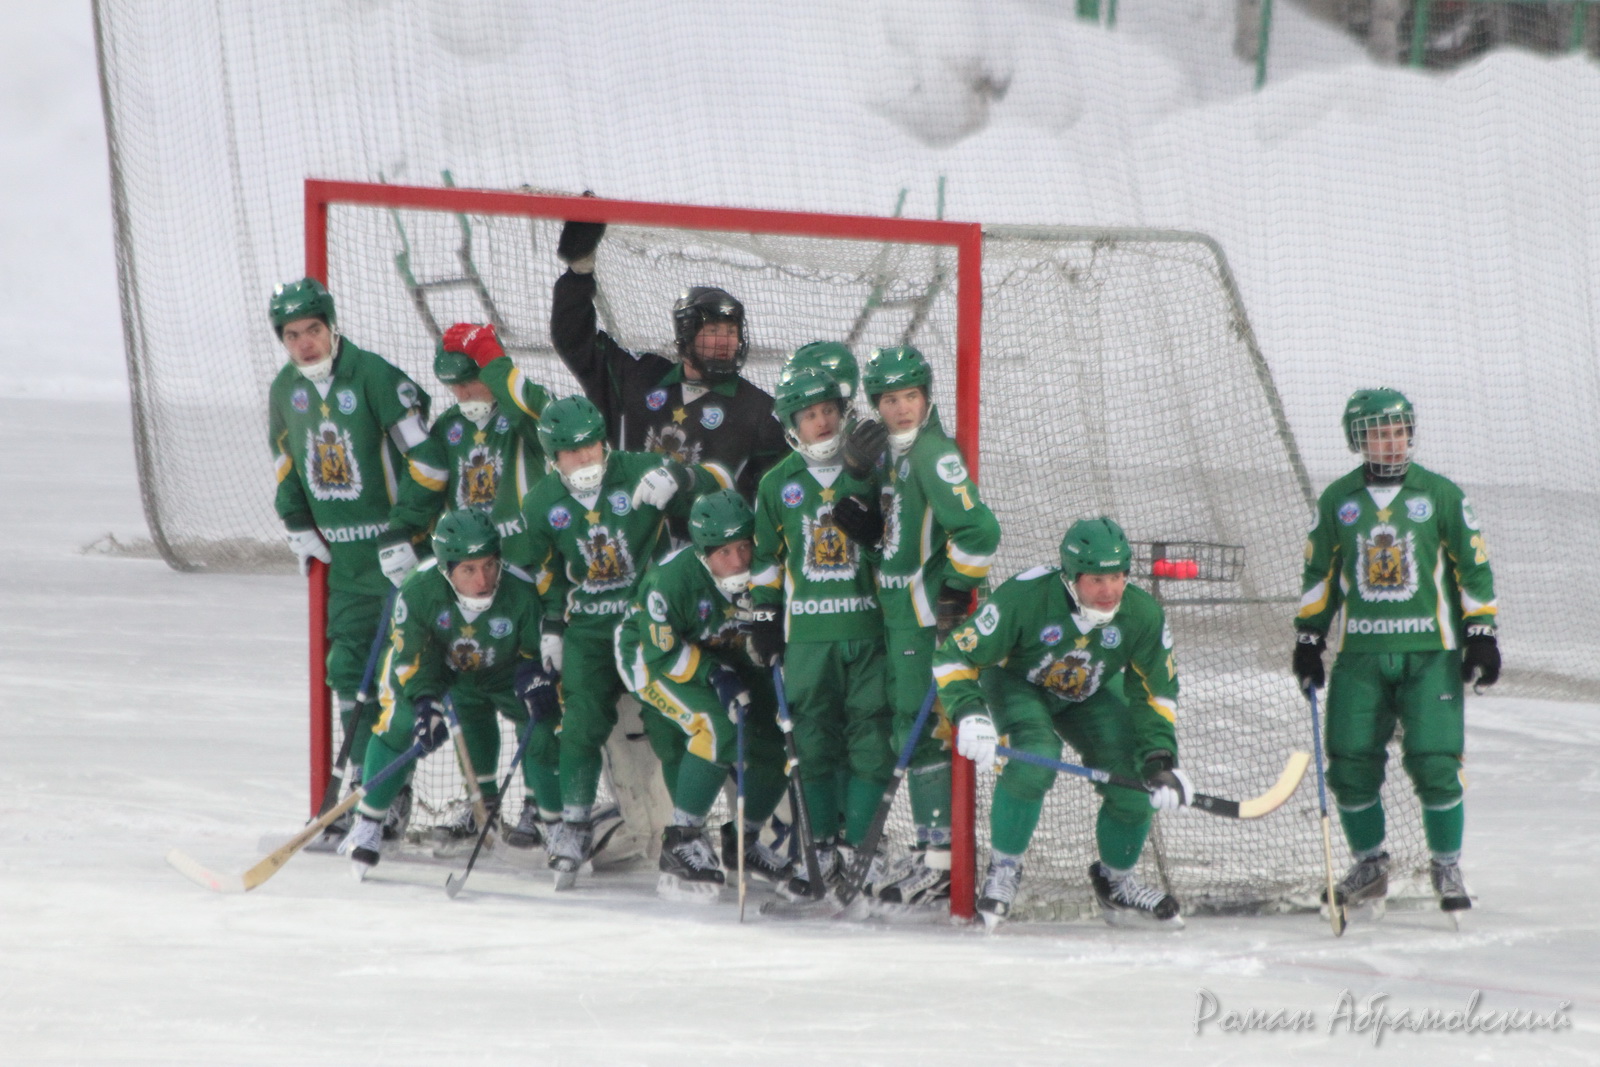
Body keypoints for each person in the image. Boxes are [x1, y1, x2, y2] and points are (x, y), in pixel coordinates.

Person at [1293, 388, 1499, 916]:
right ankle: (1369, 866)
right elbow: (1320, 574)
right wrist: (1309, 636)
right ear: (1358, 440)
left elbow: (1473, 568)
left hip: (1432, 654)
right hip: (1361, 655)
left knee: (1435, 759)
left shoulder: (1441, 495)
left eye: (1400, 431)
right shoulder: (1338, 500)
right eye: (1379, 433)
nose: (1392, 442)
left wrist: (1482, 632)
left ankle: (1446, 865)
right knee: (1349, 761)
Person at [933, 517, 1191, 929]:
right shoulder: (1024, 597)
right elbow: (953, 655)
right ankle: (1004, 869)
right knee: (1034, 758)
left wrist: (1161, 759)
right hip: (1017, 683)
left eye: (1118, 577)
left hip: (1089, 689)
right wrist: (968, 712)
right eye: (1097, 580)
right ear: (1071, 577)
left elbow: (1156, 693)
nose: (1110, 591)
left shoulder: (1142, 613)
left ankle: (1117, 883)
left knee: (1134, 776)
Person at [511, 395, 720, 888]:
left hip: (648, 624)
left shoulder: (641, 469)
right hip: (588, 631)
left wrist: (682, 476)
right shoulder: (539, 503)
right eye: (571, 451)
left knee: (671, 725)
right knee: (579, 723)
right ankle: (573, 826)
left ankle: (687, 833)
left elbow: (714, 495)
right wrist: (552, 626)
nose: (585, 457)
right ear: (553, 457)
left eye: (591, 446)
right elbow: (546, 574)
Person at [265, 278, 447, 836]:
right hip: (344, 563)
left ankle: (389, 792)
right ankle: (364, 791)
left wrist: (405, 530)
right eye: (292, 335)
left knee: (397, 677)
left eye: (312, 330)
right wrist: (296, 520)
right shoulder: (284, 390)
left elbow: (430, 461)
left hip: (397, 561)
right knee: (347, 671)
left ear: (331, 326)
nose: (304, 344)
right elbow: (286, 465)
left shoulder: (376, 377)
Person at [830, 345, 1000, 905]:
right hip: (900, 610)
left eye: (910, 396)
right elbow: (892, 530)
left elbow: (980, 532)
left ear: (927, 397)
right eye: (888, 400)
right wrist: (857, 479)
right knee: (910, 724)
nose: (901, 408)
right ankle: (932, 852)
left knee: (922, 728)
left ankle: (942, 859)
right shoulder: (894, 454)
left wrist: (954, 590)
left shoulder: (931, 454)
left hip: (924, 615)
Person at [337, 509, 559, 877]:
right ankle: (369, 821)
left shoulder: (521, 589)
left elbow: (533, 651)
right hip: (438, 667)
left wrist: (534, 677)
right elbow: (412, 659)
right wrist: (426, 703)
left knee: (545, 721)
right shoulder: (417, 590)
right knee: (400, 722)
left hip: (502, 670)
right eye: (468, 570)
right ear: (446, 568)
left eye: (489, 565)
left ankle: (556, 824)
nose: (483, 580)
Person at [749, 361, 894, 899]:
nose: (823, 421)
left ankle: (862, 850)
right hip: (808, 638)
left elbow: (896, 548)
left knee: (870, 741)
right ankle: (820, 849)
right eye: (810, 414)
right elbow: (765, 559)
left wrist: (876, 533)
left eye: (830, 409)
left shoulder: (873, 472)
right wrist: (765, 616)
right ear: (792, 423)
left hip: (867, 630)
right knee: (811, 745)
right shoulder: (776, 484)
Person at [615, 489, 793, 902]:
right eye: (724, 553)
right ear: (702, 552)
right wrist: (714, 674)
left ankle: (743, 841)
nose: (739, 561)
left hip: (726, 655)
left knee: (781, 734)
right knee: (716, 727)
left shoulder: (768, 570)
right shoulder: (668, 581)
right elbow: (660, 652)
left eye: (744, 547)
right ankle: (682, 840)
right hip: (653, 659)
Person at [549, 217, 787, 510]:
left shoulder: (760, 410)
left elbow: (775, 494)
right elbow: (575, 341)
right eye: (713, 330)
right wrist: (578, 275)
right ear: (686, 335)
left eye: (731, 331)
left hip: (704, 538)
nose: (725, 341)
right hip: (629, 529)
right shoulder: (638, 377)